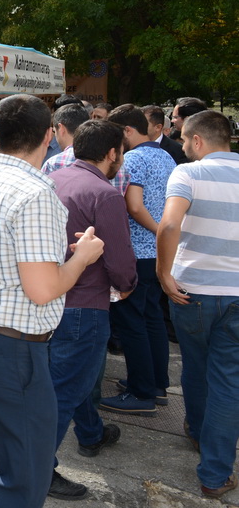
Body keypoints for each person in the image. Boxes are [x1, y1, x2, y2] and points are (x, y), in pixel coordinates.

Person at [0, 94, 105, 508]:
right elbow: (43, 289)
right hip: (11, 346)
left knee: (0, 453)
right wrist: (82, 257)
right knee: (24, 474)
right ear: (49, 136)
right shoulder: (35, 194)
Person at [46, 120, 137, 500]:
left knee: (73, 379)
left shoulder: (51, 179)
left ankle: (91, 433)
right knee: (67, 387)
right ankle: (40, 469)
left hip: (46, 297)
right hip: (84, 304)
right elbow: (121, 262)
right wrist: (127, 284)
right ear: (112, 153)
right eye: (121, 153)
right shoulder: (104, 194)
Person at [156, 110, 239, 500]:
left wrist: (163, 272)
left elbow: (170, 224)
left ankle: (197, 430)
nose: (183, 145)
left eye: (185, 139)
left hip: (192, 291)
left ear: (198, 140)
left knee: (195, 364)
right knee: (228, 379)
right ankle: (215, 473)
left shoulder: (188, 173)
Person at [101, 104, 176, 416]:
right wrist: (164, 236)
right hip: (159, 254)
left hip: (138, 250)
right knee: (152, 318)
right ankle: (156, 384)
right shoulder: (166, 156)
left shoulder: (132, 159)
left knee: (131, 322)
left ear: (128, 131)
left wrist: (157, 231)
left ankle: (141, 391)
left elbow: (134, 206)